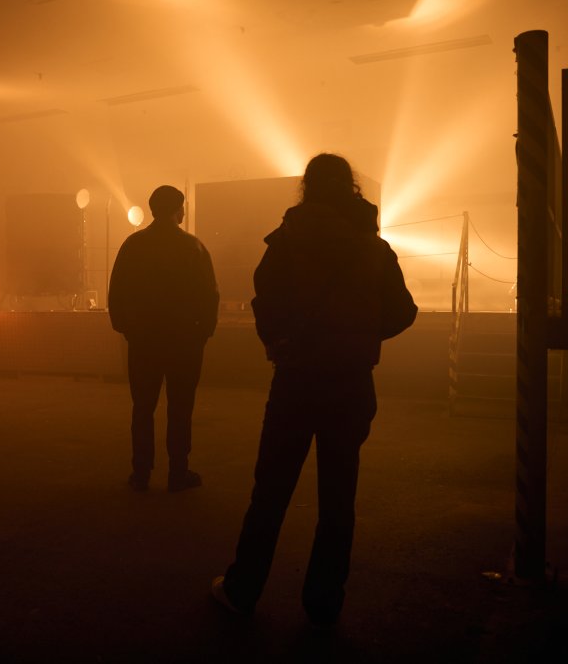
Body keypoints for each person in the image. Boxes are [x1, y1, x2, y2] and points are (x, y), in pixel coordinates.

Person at [211, 153, 418, 624]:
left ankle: (243, 589)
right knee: (338, 499)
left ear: (306, 188)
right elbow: (403, 312)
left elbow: (263, 297)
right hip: (350, 384)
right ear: (351, 189)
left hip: (296, 381)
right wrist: (360, 334)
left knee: (271, 491)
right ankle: (324, 603)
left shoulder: (286, 241)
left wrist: (283, 342)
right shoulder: (374, 248)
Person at [108, 185, 219, 492]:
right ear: (177, 210)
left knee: (143, 406)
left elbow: (117, 292)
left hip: (144, 340)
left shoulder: (133, 246)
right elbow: (209, 295)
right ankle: (178, 472)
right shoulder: (193, 247)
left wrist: (127, 328)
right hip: (184, 341)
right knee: (180, 407)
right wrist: (203, 332)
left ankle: (141, 471)